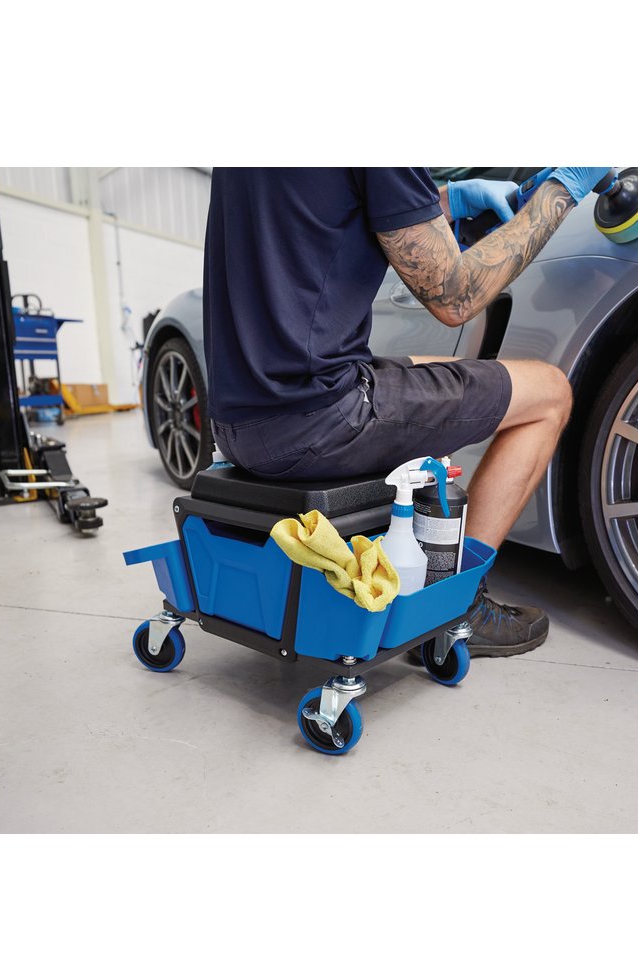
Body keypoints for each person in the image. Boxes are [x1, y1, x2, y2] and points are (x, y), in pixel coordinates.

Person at [202, 167, 614, 658]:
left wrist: (451, 199)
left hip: (238, 420)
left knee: (449, 368)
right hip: (318, 417)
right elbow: (455, 295)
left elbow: (324, 211)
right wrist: (560, 190)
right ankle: (454, 608)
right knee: (548, 393)